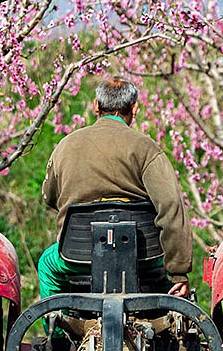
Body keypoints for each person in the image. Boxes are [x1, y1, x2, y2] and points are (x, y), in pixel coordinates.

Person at [38, 76, 193, 298]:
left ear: (96, 106)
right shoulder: (146, 148)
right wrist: (178, 273)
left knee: (47, 264)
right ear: (135, 108)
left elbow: (50, 197)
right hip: (143, 258)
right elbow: (171, 206)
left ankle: (58, 329)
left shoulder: (66, 146)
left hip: (77, 255)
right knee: (163, 268)